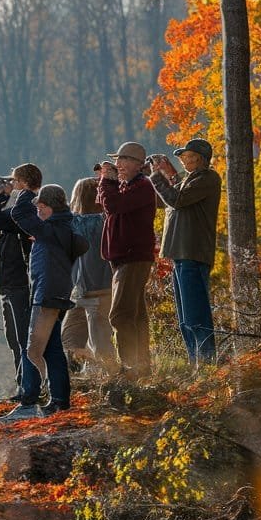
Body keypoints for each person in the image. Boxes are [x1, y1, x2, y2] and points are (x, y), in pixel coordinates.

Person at [0, 183, 88, 422]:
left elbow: (18, 214)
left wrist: (24, 190)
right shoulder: (64, 227)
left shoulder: (51, 229)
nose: (37, 210)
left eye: (41, 206)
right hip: (56, 295)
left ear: (49, 207)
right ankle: (59, 401)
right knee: (52, 349)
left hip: (45, 296)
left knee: (33, 349)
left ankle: (30, 399)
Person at [148, 138, 222, 365]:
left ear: (200, 159)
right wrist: (161, 176)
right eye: (182, 157)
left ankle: (207, 362)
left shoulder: (207, 178)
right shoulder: (190, 180)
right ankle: (195, 363)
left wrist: (157, 177)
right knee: (184, 318)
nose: (184, 161)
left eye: (188, 157)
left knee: (195, 314)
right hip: (181, 254)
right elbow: (167, 199)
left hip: (193, 253)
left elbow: (176, 200)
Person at [96, 142, 157, 379]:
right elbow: (105, 203)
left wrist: (107, 181)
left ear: (138, 164)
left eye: (123, 160)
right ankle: (142, 367)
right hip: (126, 258)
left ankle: (131, 368)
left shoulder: (142, 186)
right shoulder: (127, 186)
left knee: (120, 314)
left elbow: (113, 205)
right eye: (117, 160)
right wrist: (109, 181)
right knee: (135, 314)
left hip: (133, 257)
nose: (118, 165)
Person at [0, 163, 42, 403]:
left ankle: (30, 388)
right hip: (8, 282)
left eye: (14, 180)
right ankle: (23, 385)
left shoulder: (26, 208)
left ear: (24, 182)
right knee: (13, 338)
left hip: (19, 281)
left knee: (23, 338)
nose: (11, 184)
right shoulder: (18, 208)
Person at [62, 177, 118, 372]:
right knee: (98, 339)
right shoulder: (108, 220)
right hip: (102, 286)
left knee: (75, 339)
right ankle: (95, 374)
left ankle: (104, 377)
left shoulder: (75, 223)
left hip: (88, 288)